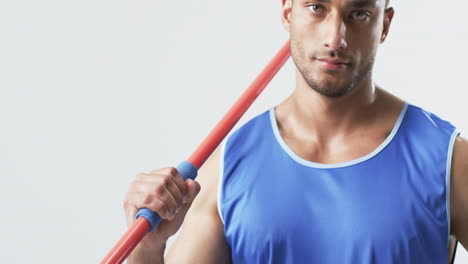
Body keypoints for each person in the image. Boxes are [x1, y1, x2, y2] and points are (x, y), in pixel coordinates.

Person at [123, 0, 468, 263]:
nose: (336, 38)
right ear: (288, 12)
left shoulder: (449, 161)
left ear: (385, 24)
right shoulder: (227, 168)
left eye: (358, 13)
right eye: (317, 8)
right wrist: (147, 247)